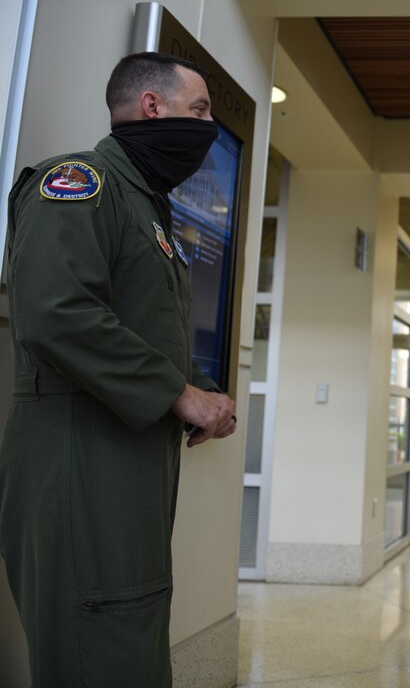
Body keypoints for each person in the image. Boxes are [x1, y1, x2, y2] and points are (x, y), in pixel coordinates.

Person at [0, 52, 237, 686]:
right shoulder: (78, 182)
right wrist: (175, 392)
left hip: (125, 462)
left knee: (127, 636)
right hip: (80, 460)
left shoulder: (148, 209)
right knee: (98, 642)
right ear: (152, 107)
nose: (208, 126)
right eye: (200, 110)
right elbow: (55, 312)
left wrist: (203, 389)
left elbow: (141, 329)